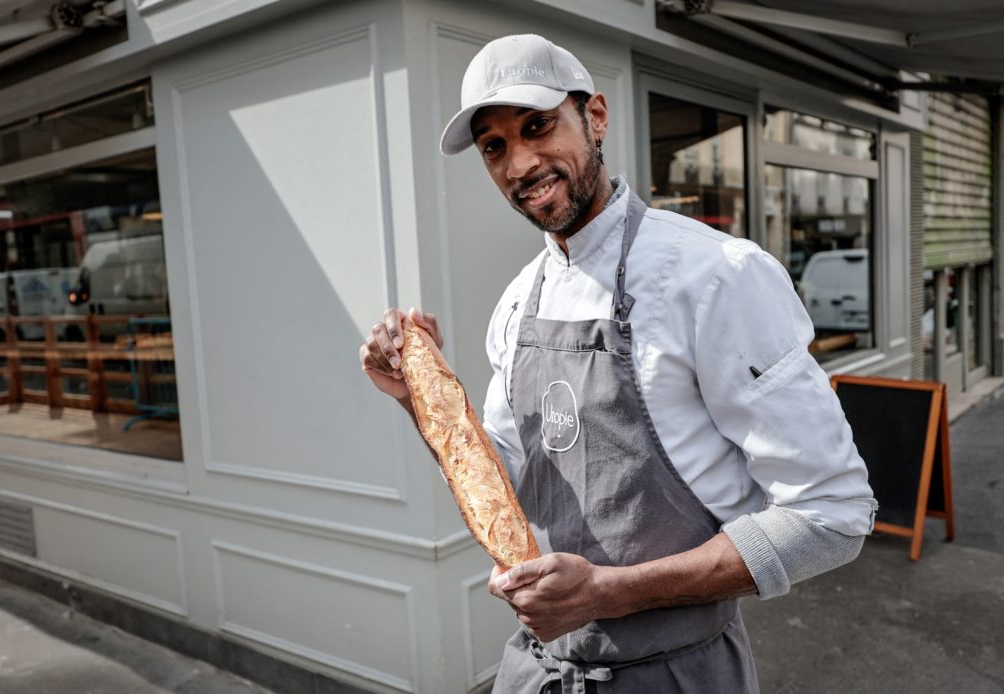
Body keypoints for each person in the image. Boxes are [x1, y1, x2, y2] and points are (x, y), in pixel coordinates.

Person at [359, 34, 876, 694]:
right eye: (494, 146)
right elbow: (506, 485)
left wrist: (610, 592)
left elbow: (832, 516)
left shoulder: (716, 277)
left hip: (676, 674)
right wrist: (417, 401)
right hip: (540, 671)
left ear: (595, 116)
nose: (519, 162)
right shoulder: (517, 304)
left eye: (537, 126)